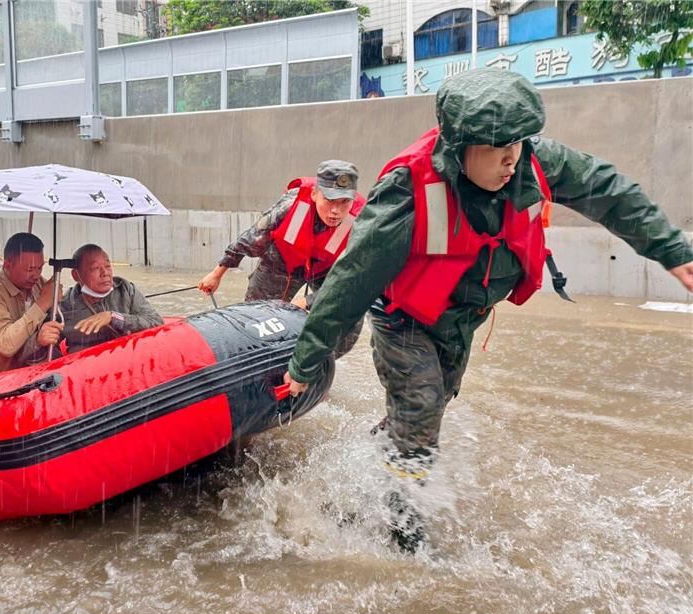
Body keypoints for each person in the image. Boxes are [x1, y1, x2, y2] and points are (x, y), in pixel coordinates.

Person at [283, 69, 693, 552]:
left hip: (460, 322)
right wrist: (306, 361)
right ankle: (402, 536)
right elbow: (352, 278)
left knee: (423, 414)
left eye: (516, 144)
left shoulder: (532, 162)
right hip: (405, 321)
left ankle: (358, 479)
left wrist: (672, 250)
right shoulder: (409, 189)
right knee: (419, 413)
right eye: (496, 149)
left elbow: (611, 192)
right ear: (459, 148)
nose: (510, 160)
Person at [197, 160, 367, 356]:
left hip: (328, 269)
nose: (336, 211)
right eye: (329, 200)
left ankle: (313, 366)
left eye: (344, 201)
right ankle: (255, 361)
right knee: (254, 319)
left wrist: (307, 302)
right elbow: (252, 238)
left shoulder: (363, 222)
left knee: (351, 316)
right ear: (314, 194)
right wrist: (218, 273)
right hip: (282, 261)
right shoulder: (290, 205)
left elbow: (353, 281)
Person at [0, 233, 64, 377]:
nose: (36, 275)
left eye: (40, 268)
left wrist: (57, 302)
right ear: (8, 265)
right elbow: (6, 345)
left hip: (27, 371)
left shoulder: (38, 284)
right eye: (29, 269)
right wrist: (42, 303)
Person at [60, 244, 163, 353]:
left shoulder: (124, 289)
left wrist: (114, 318)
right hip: (87, 366)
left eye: (108, 266)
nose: (105, 273)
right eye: (95, 268)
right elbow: (49, 347)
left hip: (126, 359)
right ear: (76, 275)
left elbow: (156, 322)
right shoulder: (64, 305)